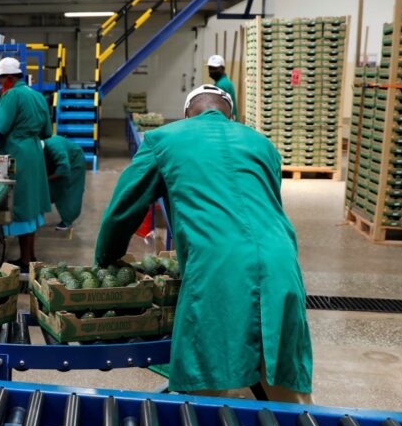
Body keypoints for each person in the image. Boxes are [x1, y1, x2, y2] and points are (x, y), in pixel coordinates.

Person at [94, 84, 313, 403]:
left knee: (204, 389)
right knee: (285, 389)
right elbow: (267, 204)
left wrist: (106, 260)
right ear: (232, 117)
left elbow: (122, 210)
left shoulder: (163, 139)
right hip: (283, 265)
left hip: (216, 267)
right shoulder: (262, 144)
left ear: (185, 115)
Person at [0, 57, 51, 266]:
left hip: (15, 156)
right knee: (31, 204)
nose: (0, 85)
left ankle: (24, 259)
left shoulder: (12, 95)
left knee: (19, 203)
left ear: (10, 78)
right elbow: (47, 131)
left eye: (1, 80)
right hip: (33, 153)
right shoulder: (37, 96)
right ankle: (29, 256)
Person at [43, 135, 87, 232]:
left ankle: (67, 220)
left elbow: (63, 169)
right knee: (49, 186)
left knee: (67, 189)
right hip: (55, 161)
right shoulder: (41, 147)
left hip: (74, 161)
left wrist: (45, 179)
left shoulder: (56, 148)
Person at [207, 54, 237, 120]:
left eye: (215, 68)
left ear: (223, 69)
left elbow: (219, 108)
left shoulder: (221, 85)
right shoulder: (224, 82)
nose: (212, 71)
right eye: (210, 68)